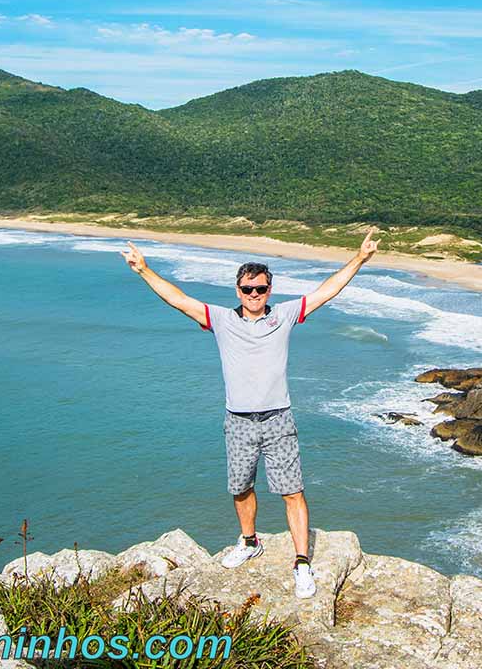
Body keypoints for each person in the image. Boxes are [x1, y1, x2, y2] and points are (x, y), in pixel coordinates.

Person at [120, 228, 380, 599]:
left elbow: (327, 290)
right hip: (238, 420)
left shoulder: (286, 315)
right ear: (238, 291)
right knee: (240, 486)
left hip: (278, 418)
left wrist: (359, 258)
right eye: (247, 289)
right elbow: (179, 299)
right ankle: (249, 541)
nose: (254, 295)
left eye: (260, 289)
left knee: (292, 491)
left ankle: (302, 563)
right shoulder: (221, 320)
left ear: (269, 291)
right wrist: (143, 269)